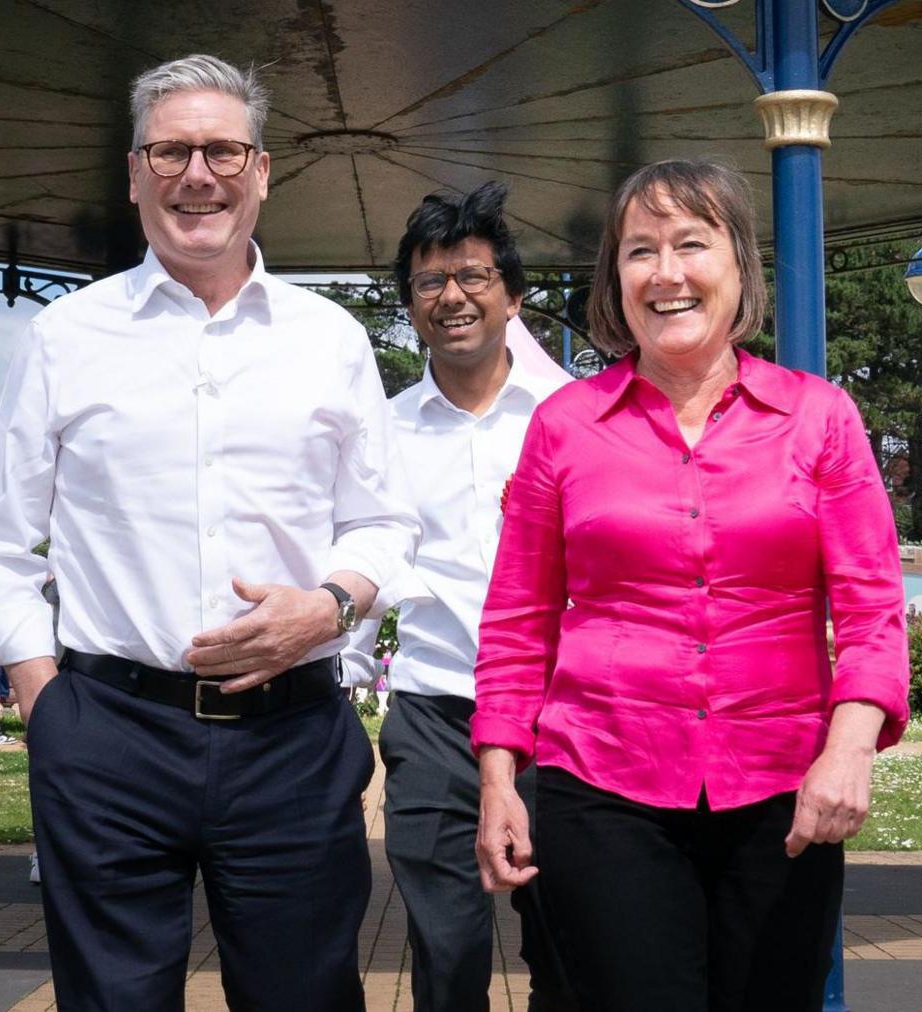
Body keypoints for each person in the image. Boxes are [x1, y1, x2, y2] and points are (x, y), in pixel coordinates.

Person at [0, 53, 418, 1012]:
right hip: (109, 736)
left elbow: (382, 523)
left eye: (221, 150)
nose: (196, 175)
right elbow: (2, 541)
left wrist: (327, 609)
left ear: (261, 172)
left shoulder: (326, 337)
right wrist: (48, 706)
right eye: (171, 152)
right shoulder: (65, 336)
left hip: (292, 736)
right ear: (134, 175)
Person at [472, 159, 911, 1011]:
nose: (666, 273)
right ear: (617, 279)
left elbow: (871, 609)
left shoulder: (820, 418)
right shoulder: (563, 428)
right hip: (600, 784)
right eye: (641, 251)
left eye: (690, 244)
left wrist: (849, 751)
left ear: (737, 265)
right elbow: (519, 622)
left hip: (785, 793)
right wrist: (498, 783)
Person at [344, 182, 575, 1012]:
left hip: (567, 716)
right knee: (446, 947)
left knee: (571, 945)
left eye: (473, 276)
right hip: (437, 715)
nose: (453, 297)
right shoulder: (384, 431)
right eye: (430, 282)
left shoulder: (577, 419)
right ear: (410, 305)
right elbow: (358, 559)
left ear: (513, 296)